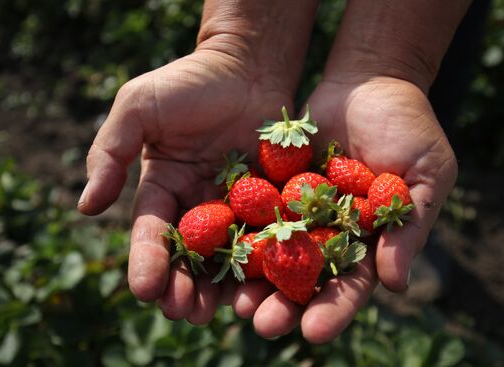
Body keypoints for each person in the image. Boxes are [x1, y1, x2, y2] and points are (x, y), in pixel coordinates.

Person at [77, 0, 469, 343]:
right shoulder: (284, 201)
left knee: (438, 82)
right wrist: (240, 47)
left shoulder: (300, 193)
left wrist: (392, 69)